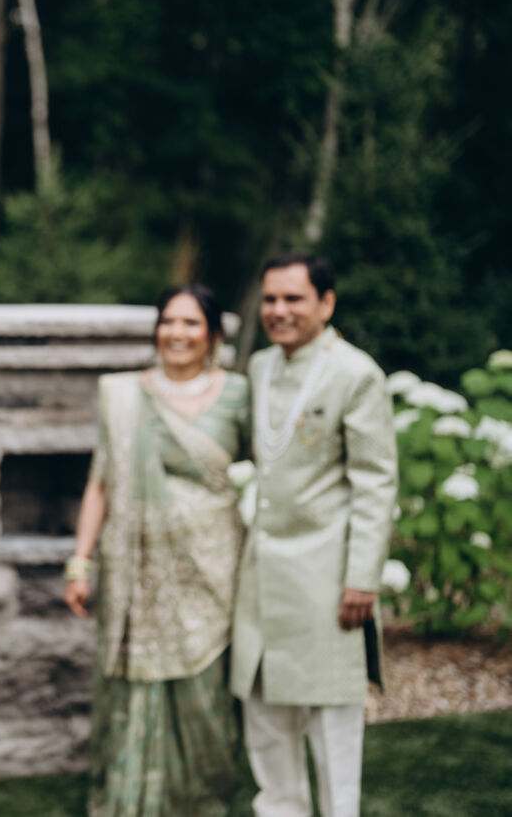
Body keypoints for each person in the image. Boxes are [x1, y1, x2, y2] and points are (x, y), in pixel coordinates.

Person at [63, 285, 249, 816]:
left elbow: (266, 471)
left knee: (205, 680)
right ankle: (132, 799)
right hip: (135, 565)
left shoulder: (239, 394)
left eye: (191, 323)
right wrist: (80, 561)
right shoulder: (123, 395)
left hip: (212, 564)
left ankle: (202, 797)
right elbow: (101, 480)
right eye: (168, 321)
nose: (177, 333)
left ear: (212, 334)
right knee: (134, 680)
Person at [231, 253, 396, 817]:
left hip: (326, 577)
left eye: (293, 298)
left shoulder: (356, 373)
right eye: (270, 299)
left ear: (326, 303)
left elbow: (376, 483)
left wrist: (362, 578)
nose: (279, 310)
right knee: (266, 722)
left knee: (331, 725)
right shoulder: (260, 367)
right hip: (261, 574)